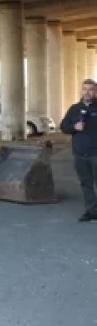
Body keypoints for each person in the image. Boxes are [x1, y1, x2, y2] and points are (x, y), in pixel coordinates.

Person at [59, 78, 97, 222]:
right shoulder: (74, 109)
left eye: (91, 89)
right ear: (81, 90)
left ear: (95, 91)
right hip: (80, 154)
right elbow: (63, 127)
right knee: (86, 183)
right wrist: (74, 127)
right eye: (85, 89)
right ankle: (92, 211)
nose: (87, 92)